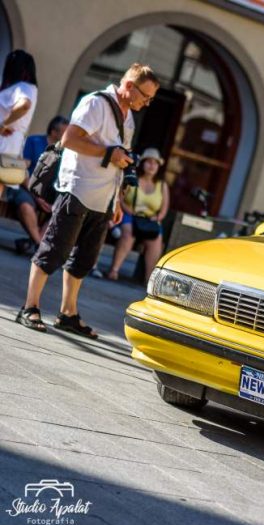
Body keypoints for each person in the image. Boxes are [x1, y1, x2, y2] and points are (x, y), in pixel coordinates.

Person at [15, 63, 159, 338]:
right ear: (129, 86)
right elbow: (70, 139)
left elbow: (121, 158)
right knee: (53, 250)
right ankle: (29, 307)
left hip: (104, 198)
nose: (147, 103)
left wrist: (117, 200)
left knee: (84, 259)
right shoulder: (96, 103)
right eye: (146, 96)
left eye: (151, 98)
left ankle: (68, 314)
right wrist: (108, 153)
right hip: (77, 189)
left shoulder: (128, 117)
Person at [8, 115, 68, 255]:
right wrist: (37, 197)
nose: (68, 135)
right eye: (65, 132)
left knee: (61, 209)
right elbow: (22, 171)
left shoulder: (66, 152)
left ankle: (32, 242)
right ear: (54, 132)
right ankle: (39, 246)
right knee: (25, 206)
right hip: (26, 188)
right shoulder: (33, 141)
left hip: (50, 193)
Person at [107, 147, 169, 282]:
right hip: (130, 215)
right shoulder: (133, 177)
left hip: (150, 219)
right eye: (149, 162)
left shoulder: (162, 185)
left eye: (156, 163)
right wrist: (128, 210)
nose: (152, 165)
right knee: (128, 234)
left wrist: (157, 218)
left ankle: (149, 279)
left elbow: (164, 208)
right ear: (142, 163)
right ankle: (114, 270)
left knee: (156, 239)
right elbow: (120, 197)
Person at [0, 50, 37, 201]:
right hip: (12, 143)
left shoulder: (23, 87)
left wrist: (4, 124)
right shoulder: (27, 87)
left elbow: (24, 105)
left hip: (5, 140)